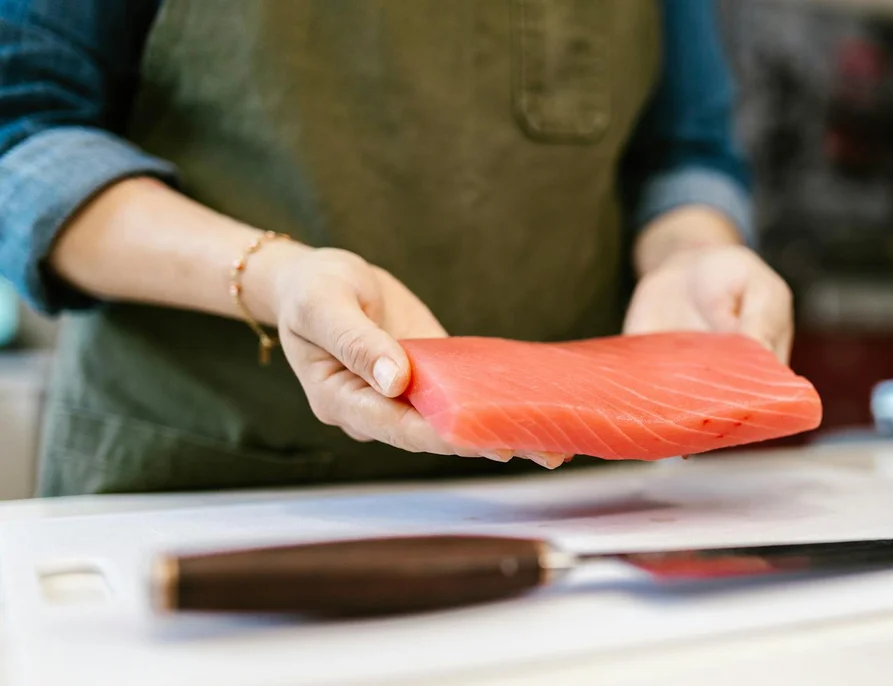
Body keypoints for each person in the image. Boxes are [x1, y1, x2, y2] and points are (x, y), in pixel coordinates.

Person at [0, 0, 794, 497]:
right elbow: (23, 135)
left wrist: (689, 253)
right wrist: (276, 280)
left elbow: (683, 151)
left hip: (564, 506)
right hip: (210, 493)